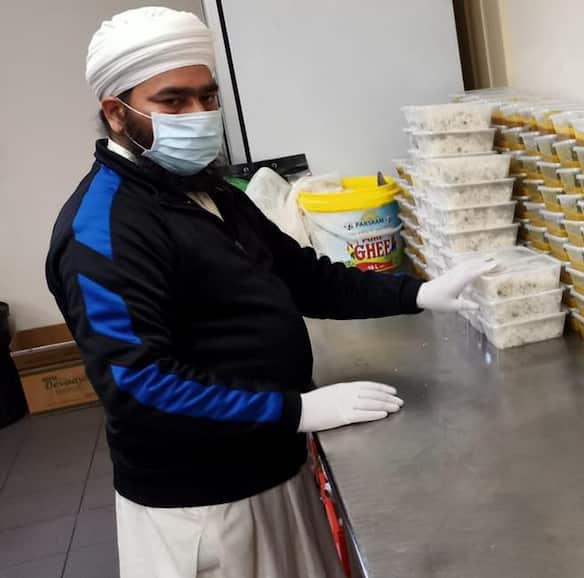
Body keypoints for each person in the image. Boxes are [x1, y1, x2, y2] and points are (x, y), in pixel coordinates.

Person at [45, 7, 490, 577]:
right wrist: (296, 409)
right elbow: (140, 387)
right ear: (116, 112)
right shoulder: (103, 230)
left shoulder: (207, 190)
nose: (200, 116)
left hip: (272, 466)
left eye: (208, 98)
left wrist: (417, 294)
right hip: (203, 506)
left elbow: (303, 276)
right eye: (174, 101)